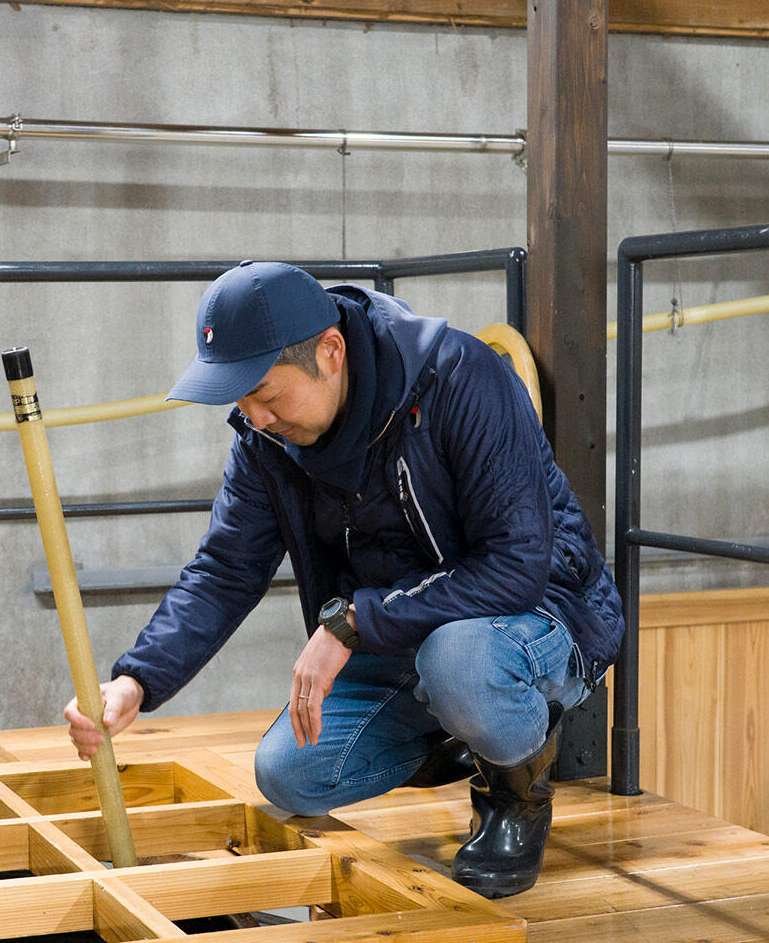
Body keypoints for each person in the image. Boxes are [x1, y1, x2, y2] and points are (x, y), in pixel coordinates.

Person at [61, 261, 623, 898]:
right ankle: (466, 723)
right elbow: (224, 570)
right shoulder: (264, 439)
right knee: (289, 775)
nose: (255, 418)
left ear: (331, 351)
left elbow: (514, 567)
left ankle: (513, 794)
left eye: (267, 397)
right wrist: (139, 680)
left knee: (462, 664)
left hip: (540, 615)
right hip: (403, 633)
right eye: (241, 401)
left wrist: (351, 622)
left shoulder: (462, 378)